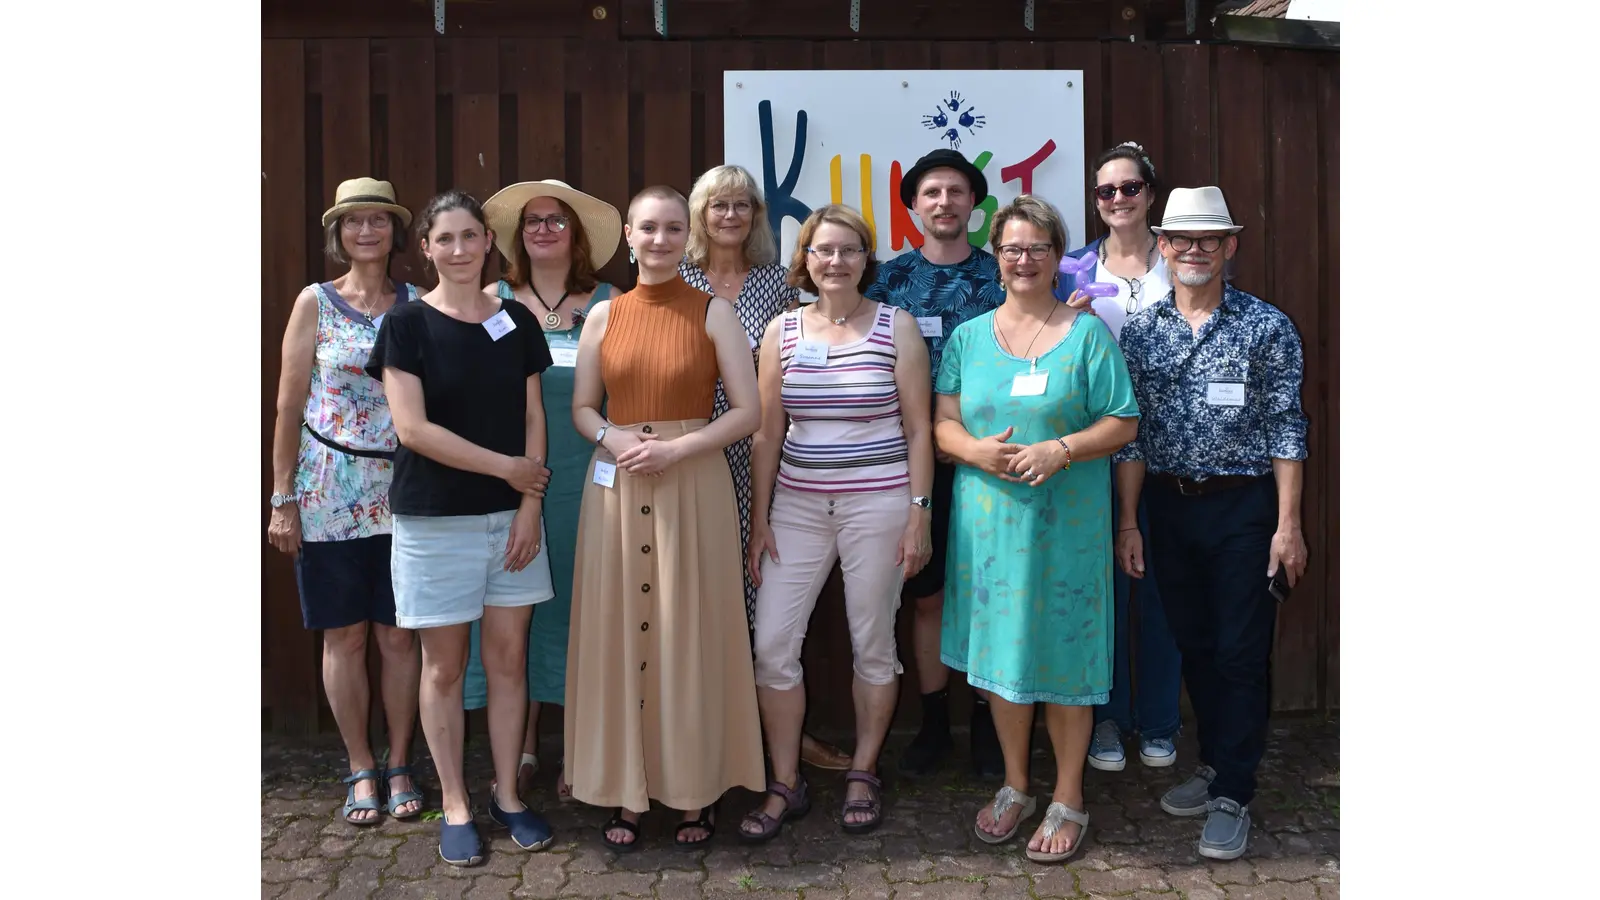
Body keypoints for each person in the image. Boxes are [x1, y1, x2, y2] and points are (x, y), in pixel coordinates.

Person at [936, 195, 1139, 863]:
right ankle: (1017, 786)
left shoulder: (1087, 336)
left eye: (1038, 248)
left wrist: (1062, 449)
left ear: (1058, 258)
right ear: (996, 259)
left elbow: (1123, 422)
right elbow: (942, 425)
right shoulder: (968, 338)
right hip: (988, 533)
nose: (1024, 259)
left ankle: (1069, 796)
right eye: (1012, 248)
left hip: (1067, 529)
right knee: (1002, 666)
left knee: (1065, 661)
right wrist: (972, 451)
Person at [565, 185, 766, 852]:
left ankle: (695, 789)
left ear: (688, 235)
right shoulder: (602, 315)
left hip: (694, 480)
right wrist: (613, 440)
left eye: (672, 228)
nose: (659, 239)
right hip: (619, 485)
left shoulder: (714, 313)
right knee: (619, 632)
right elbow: (584, 408)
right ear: (628, 233)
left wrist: (678, 447)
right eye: (648, 228)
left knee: (690, 633)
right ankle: (624, 788)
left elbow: (747, 412)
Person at [1113, 186, 1309, 861]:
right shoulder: (1140, 332)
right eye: (1181, 240)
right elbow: (1131, 436)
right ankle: (1215, 762)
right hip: (1168, 506)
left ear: (1230, 246)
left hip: (1244, 509)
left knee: (1239, 650)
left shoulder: (1267, 327)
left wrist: (1288, 526)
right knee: (1194, 642)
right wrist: (1129, 522)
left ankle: (1234, 789)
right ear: (1162, 247)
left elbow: (1287, 427)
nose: (1194, 250)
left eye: (1208, 239)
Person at [365, 190, 557, 867]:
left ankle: (507, 795)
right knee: (444, 669)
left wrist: (529, 501)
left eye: (470, 236)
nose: (458, 249)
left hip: (512, 520)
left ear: (487, 242)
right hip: (435, 522)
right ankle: (455, 802)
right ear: (426, 247)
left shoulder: (515, 322)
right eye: (444, 238)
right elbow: (412, 429)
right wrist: (507, 469)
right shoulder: (407, 326)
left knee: (508, 663)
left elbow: (535, 417)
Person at [739, 205, 933, 841]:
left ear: (865, 258)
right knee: (771, 647)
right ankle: (787, 780)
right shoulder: (782, 331)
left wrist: (918, 515)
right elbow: (767, 432)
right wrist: (760, 520)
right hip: (796, 504)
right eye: (823, 250)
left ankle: (862, 772)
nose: (835, 261)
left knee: (872, 641)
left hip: (878, 504)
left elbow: (918, 429)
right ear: (806, 258)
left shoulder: (896, 327)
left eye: (849, 250)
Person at [678, 165, 852, 773]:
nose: (730, 216)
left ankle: (766, 733)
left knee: (759, 594)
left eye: (742, 205)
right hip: (688, 456)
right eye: (717, 204)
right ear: (699, 214)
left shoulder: (777, 287)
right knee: (695, 590)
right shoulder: (673, 278)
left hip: (759, 459)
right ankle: (704, 733)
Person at [267, 177, 425, 827]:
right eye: (355, 222)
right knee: (346, 632)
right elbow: (288, 401)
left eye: (378, 221)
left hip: (404, 492)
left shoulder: (416, 303)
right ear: (340, 233)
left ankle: (401, 762)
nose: (367, 232)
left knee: (396, 634)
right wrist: (282, 498)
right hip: (327, 489)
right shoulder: (314, 302)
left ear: (395, 232)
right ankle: (360, 764)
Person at [464, 179, 623, 803]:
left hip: (589, 484)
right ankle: (523, 745)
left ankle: (583, 748)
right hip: (512, 485)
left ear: (576, 234)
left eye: (557, 220)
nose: (544, 229)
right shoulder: (488, 301)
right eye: (532, 220)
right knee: (514, 617)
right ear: (514, 235)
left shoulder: (612, 302)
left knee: (584, 614)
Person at [866, 148, 1006, 779]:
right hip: (905, 460)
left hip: (986, 458)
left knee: (981, 594)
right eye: (931, 192)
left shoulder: (1002, 277)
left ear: (975, 205)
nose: (944, 201)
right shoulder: (887, 283)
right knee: (924, 596)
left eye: (956, 191)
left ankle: (984, 719)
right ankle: (930, 721)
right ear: (913, 206)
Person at [1057, 142, 1182, 773]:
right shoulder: (1074, 267)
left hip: (1174, 449)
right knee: (1099, 593)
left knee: (1159, 588)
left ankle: (1159, 719)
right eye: (1106, 192)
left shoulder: (1180, 258)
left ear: (1150, 194)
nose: (1118, 201)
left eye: (1129, 188)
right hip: (1095, 448)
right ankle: (1106, 718)